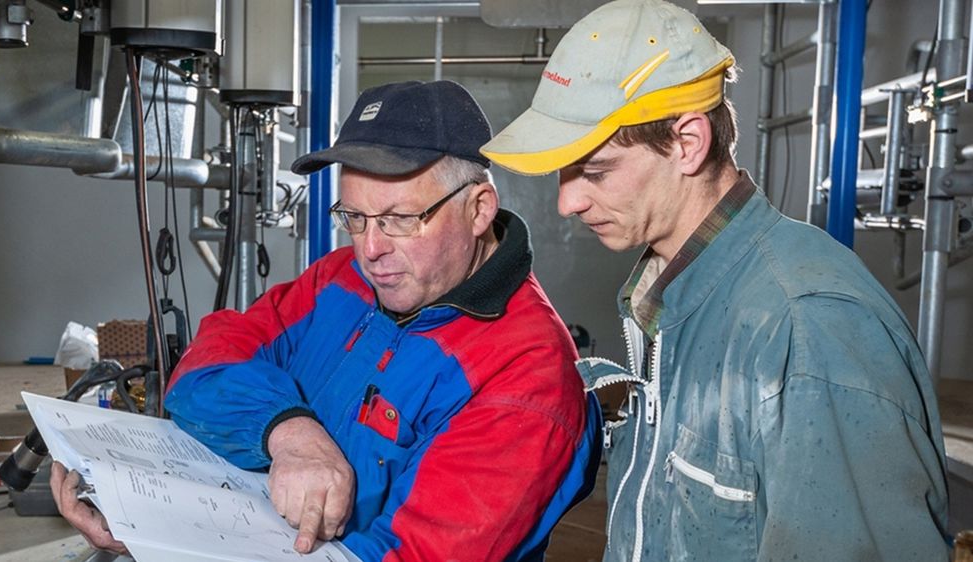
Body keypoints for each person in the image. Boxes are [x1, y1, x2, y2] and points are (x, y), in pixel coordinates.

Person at [51, 80, 601, 561]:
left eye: (399, 219)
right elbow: (207, 364)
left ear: (479, 209)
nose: (371, 248)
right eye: (354, 217)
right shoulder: (344, 277)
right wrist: (289, 434)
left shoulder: (525, 379)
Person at [480, 1, 950, 560]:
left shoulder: (808, 328)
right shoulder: (677, 301)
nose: (567, 201)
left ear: (687, 143)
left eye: (596, 170)